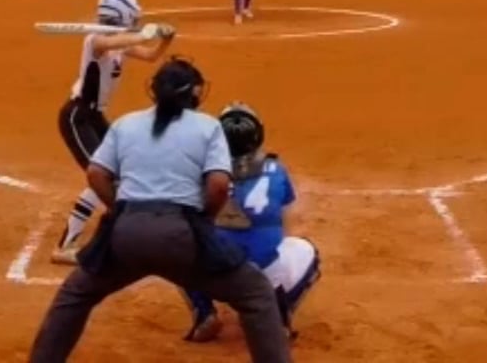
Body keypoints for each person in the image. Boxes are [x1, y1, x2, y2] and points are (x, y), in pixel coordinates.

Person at [28, 59, 293, 363]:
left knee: (75, 295)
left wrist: (121, 209)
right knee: (256, 293)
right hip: (181, 237)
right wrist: (203, 219)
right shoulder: (208, 127)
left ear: (154, 91)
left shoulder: (125, 124)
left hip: (126, 236)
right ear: (194, 94)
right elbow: (219, 185)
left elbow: (96, 174)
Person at [53, 0, 178, 263]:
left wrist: (165, 40)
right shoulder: (95, 40)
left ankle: (116, 232)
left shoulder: (119, 42)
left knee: (119, 170)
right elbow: (107, 43)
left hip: (95, 117)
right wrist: (142, 33)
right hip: (78, 117)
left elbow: (150, 56)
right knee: (102, 176)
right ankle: (65, 246)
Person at [184, 103, 322, 344]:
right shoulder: (276, 169)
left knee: (179, 244)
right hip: (261, 279)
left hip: (214, 273)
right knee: (305, 250)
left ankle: (204, 313)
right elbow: (284, 225)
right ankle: (277, 317)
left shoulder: (201, 173)